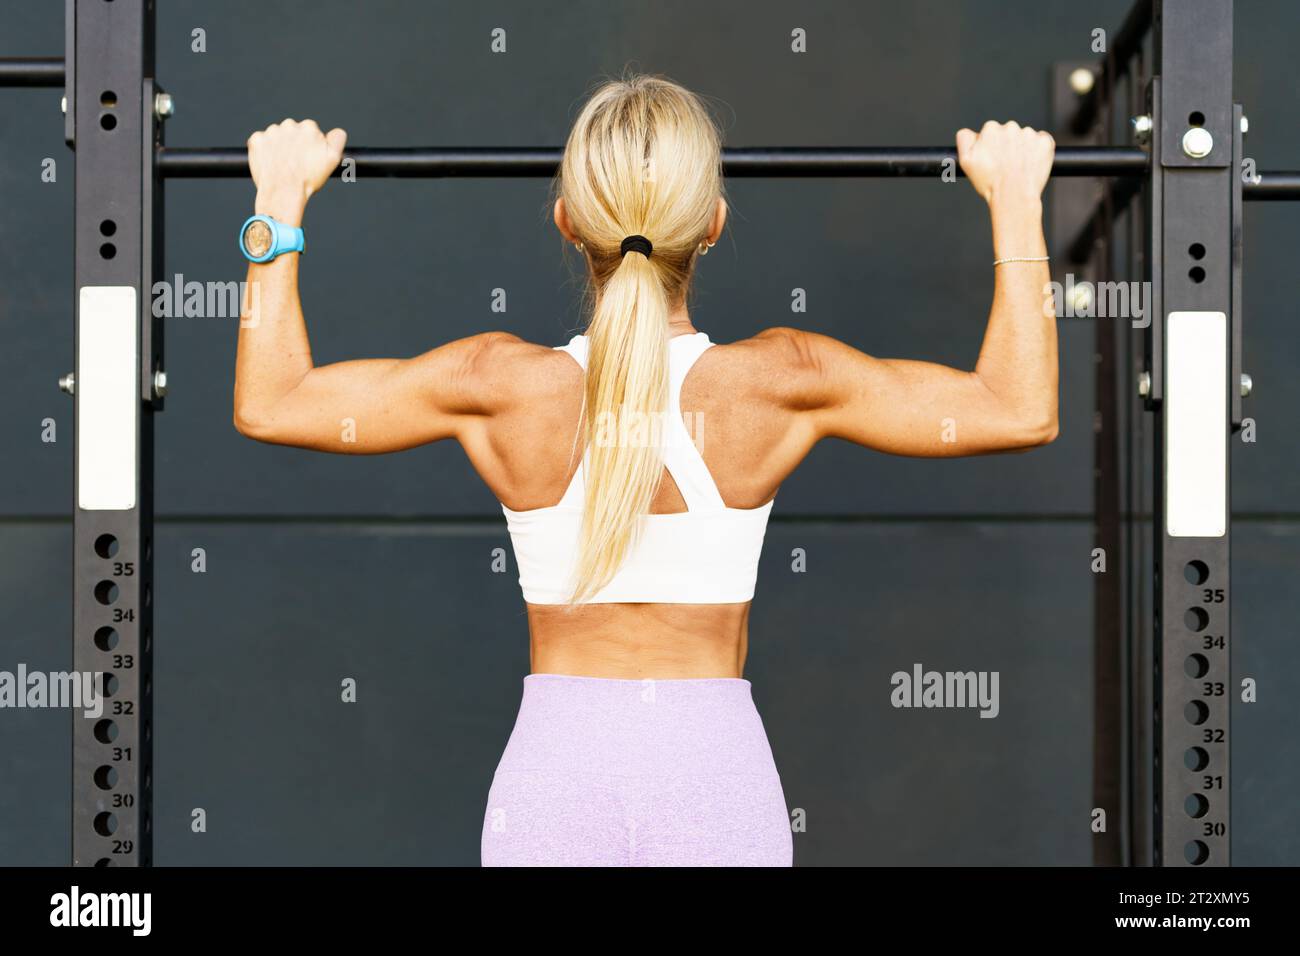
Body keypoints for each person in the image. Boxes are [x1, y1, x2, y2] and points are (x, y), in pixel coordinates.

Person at [232, 74, 1058, 866]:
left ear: (563, 221)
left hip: (555, 779)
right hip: (714, 777)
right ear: (713, 226)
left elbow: (273, 401)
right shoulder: (780, 382)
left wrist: (278, 204)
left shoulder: (498, 385)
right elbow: (1016, 408)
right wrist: (1017, 205)